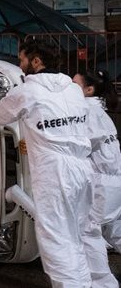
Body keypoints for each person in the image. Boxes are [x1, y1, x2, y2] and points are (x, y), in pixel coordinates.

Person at [0, 41, 95, 287]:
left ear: (35, 61)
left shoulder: (27, 91)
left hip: (55, 172)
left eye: (21, 60)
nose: (19, 66)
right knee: (77, 236)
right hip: (83, 169)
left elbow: (0, 116)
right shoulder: (73, 89)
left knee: (57, 241)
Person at [73, 70, 121, 280]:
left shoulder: (86, 110)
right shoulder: (100, 110)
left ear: (89, 90)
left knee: (89, 232)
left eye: (74, 84)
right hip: (114, 181)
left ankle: (103, 282)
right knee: (115, 230)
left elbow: (80, 145)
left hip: (102, 183)